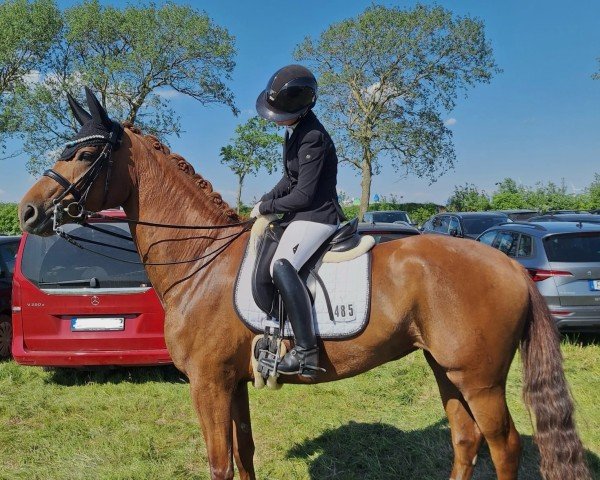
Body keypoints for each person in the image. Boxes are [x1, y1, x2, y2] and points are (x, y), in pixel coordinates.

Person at [251, 64, 345, 378]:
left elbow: (303, 195)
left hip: (318, 216)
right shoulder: (294, 132)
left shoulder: (313, 136)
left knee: (282, 265)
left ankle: (307, 353)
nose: (277, 121)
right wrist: (263, 200)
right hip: (302, 213)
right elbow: (288, 179)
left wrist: (269, 207)